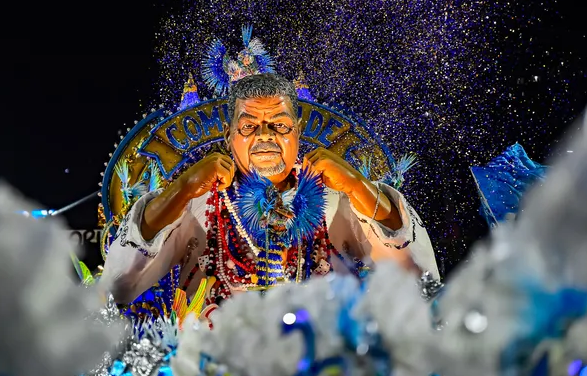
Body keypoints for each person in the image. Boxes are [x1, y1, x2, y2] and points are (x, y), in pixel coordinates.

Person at [104, 73, 438, 310]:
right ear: (228, 135)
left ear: (298, 132)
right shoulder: (196, 206)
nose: (265, 136)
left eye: (279, 124)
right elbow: (118, 287)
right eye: (248, 126)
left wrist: (355, 184)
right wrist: (182, 189)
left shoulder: (338, 203)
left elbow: (420, 281)